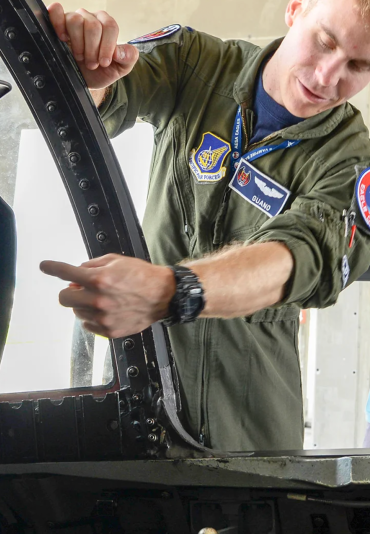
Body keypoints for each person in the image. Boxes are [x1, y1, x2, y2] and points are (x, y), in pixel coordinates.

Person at [40, 0, 370, 451]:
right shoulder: (193, 61)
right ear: (295, 10)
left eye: (358, 64)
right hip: (137, 416)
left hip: (252, 440)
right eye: (325, 42)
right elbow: (109, 97)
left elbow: (307, 253)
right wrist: (86, 74)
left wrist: (173, 291)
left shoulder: (351, 162)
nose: (327, 77)